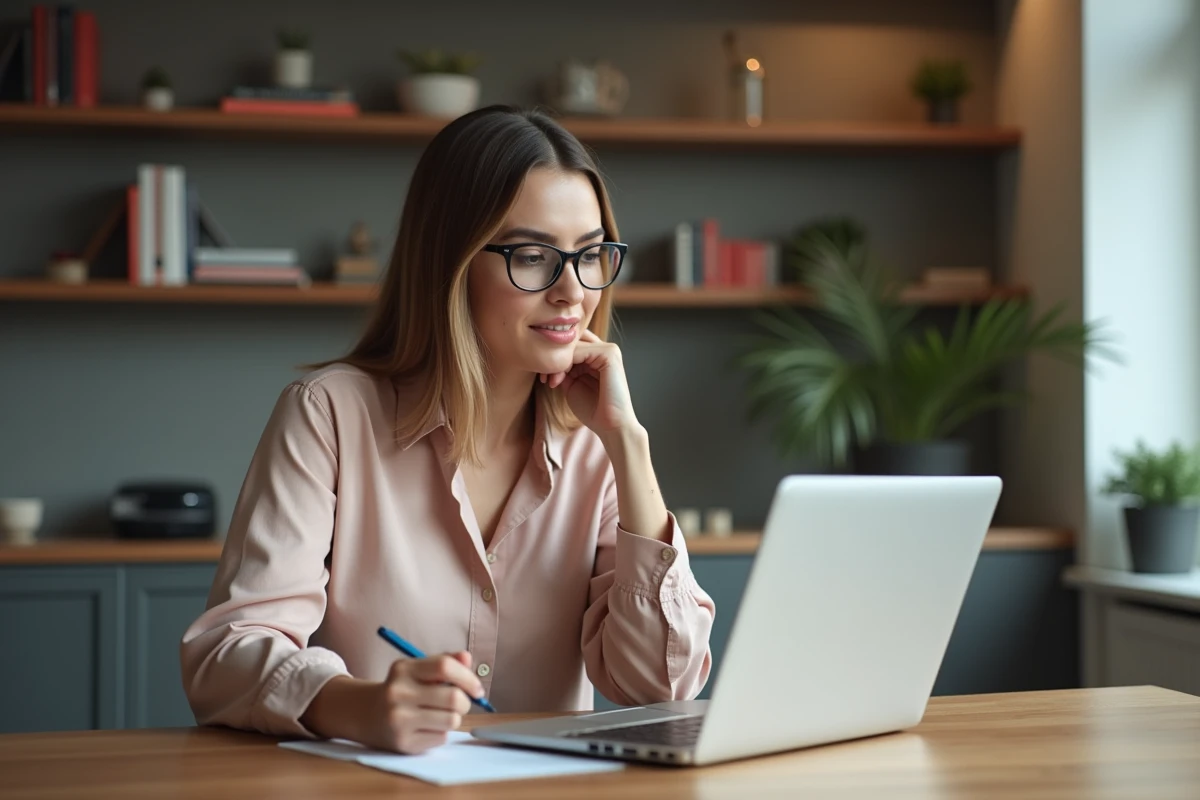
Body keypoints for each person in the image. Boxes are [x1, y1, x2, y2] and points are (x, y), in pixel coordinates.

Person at [180, 105, 716, 755]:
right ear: (452, 264)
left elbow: (661, 687)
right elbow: (224, 654)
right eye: (532, 255)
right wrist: (354, 704)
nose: (573, 291)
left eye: (591, 254)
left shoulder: (597, 445)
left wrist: (629, 448)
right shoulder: (328, 414)